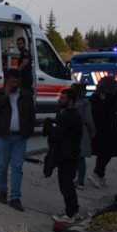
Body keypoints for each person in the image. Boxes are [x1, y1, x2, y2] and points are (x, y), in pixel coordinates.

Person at [0, 69, 35, 211]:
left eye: (17, 82)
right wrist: (5, 96)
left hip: (19, 137)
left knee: (17, 167)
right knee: (2, 166)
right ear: (7, 80)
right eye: (13, 81)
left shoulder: (26, 96)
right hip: (3, 136)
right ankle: (2, 191)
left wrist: (28, 132)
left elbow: (31, 115)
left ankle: (15, 197)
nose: (15, 84)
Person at [44, 87, 83, 223]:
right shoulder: (67, 114)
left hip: (68, 156)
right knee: (67, 185)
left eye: (63, 98)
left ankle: (70, 214)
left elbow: (58, 133)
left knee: (66, 185)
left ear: (70, 101)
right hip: (67, 155)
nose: (60, 100)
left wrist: (51, 127)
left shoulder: (70, 116)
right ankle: (72, 210)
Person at [89, 76, 117, 187]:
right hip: (106, 130)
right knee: (105, 153)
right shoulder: (107, 97)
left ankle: (100, 174)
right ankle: (97, 173)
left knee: (104, 153)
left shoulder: (98, 96)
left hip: (103, 129)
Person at [73, 81, 95, 189]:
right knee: (81, 158)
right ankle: (80, 181)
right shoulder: (86, 104)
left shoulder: (70, 103)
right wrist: (92, 132)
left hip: (71, 130)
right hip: (83, 130)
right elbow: (89, 120)